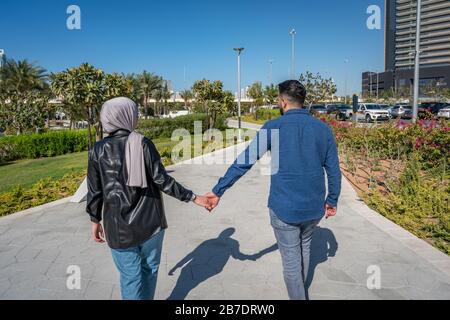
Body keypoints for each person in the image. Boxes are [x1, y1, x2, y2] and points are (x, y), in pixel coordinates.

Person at [206, 80, 342, 300]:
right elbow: (334, 170)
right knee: (304, 248)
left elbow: (245, 161)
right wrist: (332, 200)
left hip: (283, 208)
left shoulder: (273, 127)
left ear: (282, 101)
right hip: (313, 207)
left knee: (291, 261)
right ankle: (301, 291)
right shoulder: (323, 129)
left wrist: (219, 190)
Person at [86, 97, 211, 300]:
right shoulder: (143, 143)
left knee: (130, 278)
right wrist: (194, 198)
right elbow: (162, 180)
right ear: (129, 116)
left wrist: (95, 220)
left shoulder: (97, 150)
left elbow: (95, 191)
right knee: (149, 271)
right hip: (150, 224)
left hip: (118, 228)